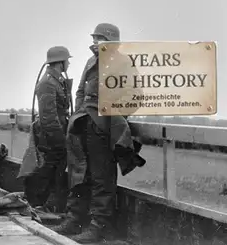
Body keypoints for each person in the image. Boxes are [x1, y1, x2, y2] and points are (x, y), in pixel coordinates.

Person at [52, 23, 145, 243]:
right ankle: (75, 218)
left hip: (103, 127)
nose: (93, 42)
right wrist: (77, 114)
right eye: (94, 38)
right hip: (82, 124)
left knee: (102, 177)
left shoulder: (123, 62)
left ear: (111, 41)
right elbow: (81, 91)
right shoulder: (91, 61)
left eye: (98, 38)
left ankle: (98, 226)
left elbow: (136, 95)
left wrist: (113, 115)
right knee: (79, 173)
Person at [22, 46, 73, 217]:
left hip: (57, 134)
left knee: (54, 171)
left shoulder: (56, 81)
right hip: (51, 136)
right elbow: (49, 117)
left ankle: (47, 207)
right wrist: (61, 142)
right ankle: (38, 205)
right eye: (67, 60)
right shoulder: (47, 83)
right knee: (47, 170)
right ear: (60, 62)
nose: (69, 63)